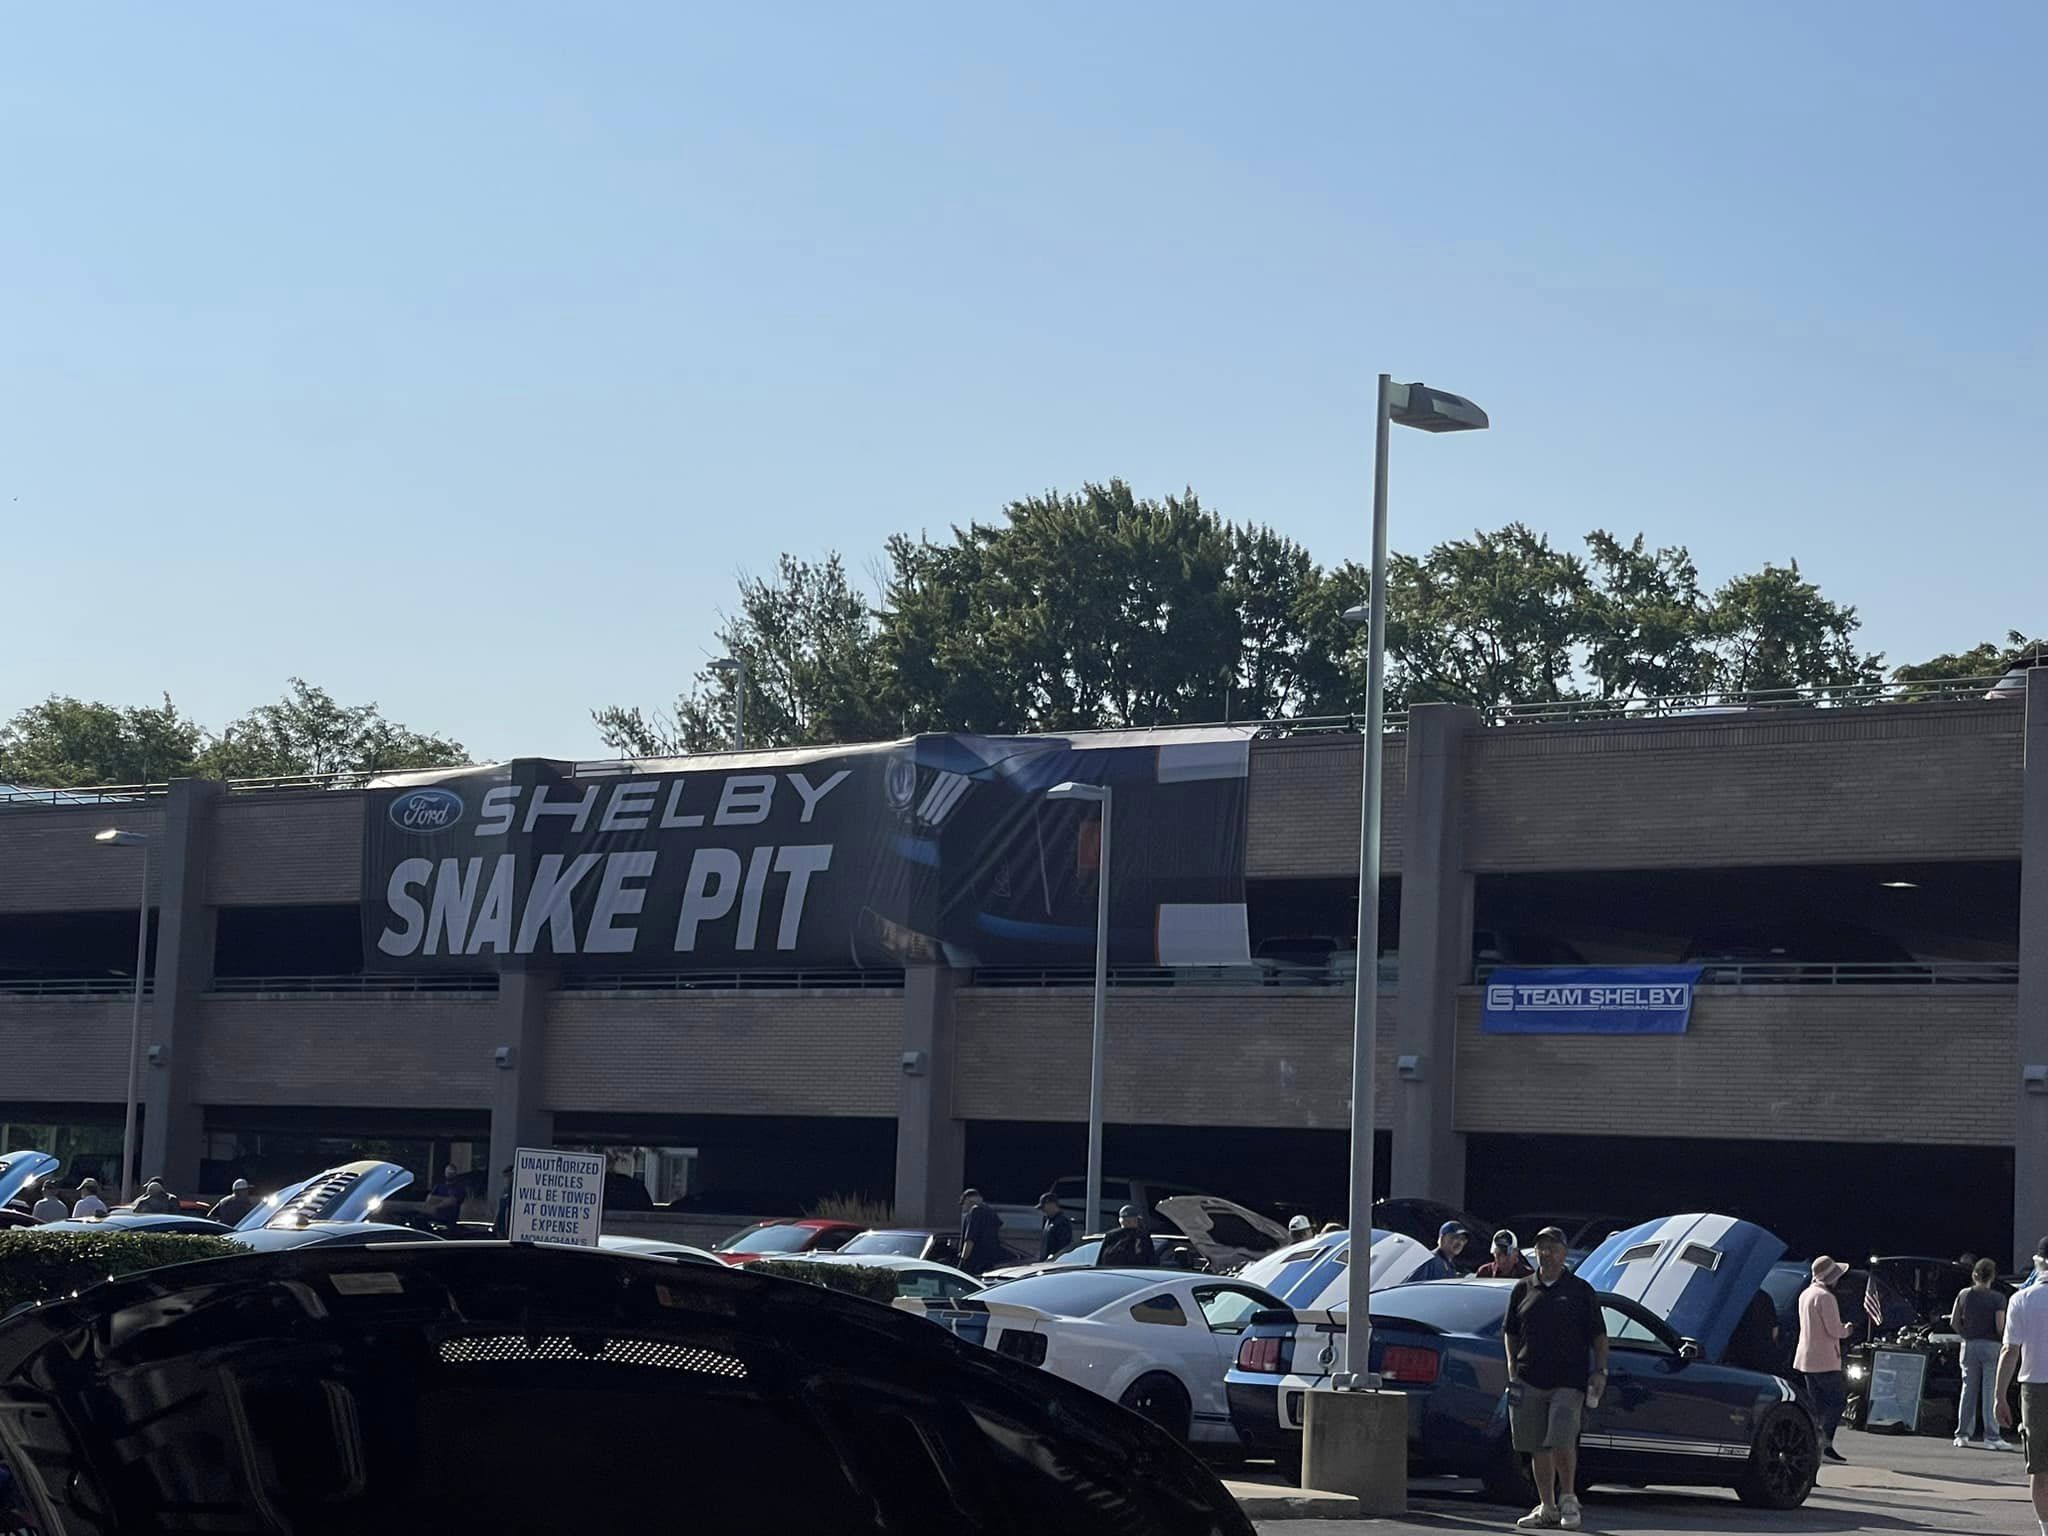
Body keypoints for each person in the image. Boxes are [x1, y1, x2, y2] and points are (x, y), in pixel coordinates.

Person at [1503, 1227, 1607, 1531]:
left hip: (1568, 1380)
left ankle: (1569, 1500)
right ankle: (1546, 1506)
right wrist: (1511, 1366)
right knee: (1537, 1445)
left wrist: (1600, 1370)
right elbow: (1510, 1331)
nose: (1546, 1253)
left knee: (1562, 1439)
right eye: (1541, 1248)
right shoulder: (1522, 1288)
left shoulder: (1580, 1290)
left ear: (1564, 1253)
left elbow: (1599, 1335)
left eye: (1552, 1248)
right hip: (1528, 1378)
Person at [1998, 1239, 2048, 1536]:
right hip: (2035, 1384)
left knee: (2040, 1467)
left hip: (2035, 1386)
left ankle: (2046, 1528)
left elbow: (2010, 1351)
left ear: (2038, 1262)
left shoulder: (2021, 1299)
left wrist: (1999, 1396)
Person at [1795, 1256, 1855, 1464]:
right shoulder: (1826, 1297)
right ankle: (1824, 1442)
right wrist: (1847, 1329)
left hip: (1806, 1357)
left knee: (1817, 1405)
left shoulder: (1805, 1294)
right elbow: (1834, 1330)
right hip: (1825, 1359)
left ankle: (1811, 1444)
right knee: (1837, 1401)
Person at [1952, 1256, 2014, 1450]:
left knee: (1967, 1391)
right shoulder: (1998, 1298)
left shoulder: (1964, 1294)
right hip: (1991, 1347)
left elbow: (1954, 1321)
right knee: (1990, 1392)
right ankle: (1992, 1436)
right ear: (1992, 1277)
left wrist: (1966, 1334)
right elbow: (2000, 1326)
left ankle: (1962, 1434)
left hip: (1969, 1345)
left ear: (1974, 1274)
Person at [957, 1188, 1003, 1277]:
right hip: (990, 1261)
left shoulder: (975, 1211)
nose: (963, 1207)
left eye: (963, 1203)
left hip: (975, 1261)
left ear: (968, 1200)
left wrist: (963, 1260)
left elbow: (970, 1240)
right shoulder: (991, 1212)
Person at [428, 1164, 468, 1232]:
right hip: (437, 1220)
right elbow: (429, 1200)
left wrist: (437, 1202)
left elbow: (452, 1201)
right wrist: (444, 1200)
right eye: (447, 1171)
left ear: (455, 1173)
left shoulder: (459, 1188)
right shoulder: (439, 1186)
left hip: (451, 1222)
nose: (449, 1173)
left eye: (451, 1171)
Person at [1036, 1192, 1074, 1261]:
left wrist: (1055, 1258)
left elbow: (1063, 1246)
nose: (1043, 1211)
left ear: (1052, 1204)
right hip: (1047, 1261)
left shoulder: (1062, 1222)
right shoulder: (1048, 1221)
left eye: (1044, 1207)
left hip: (1056, 1261)